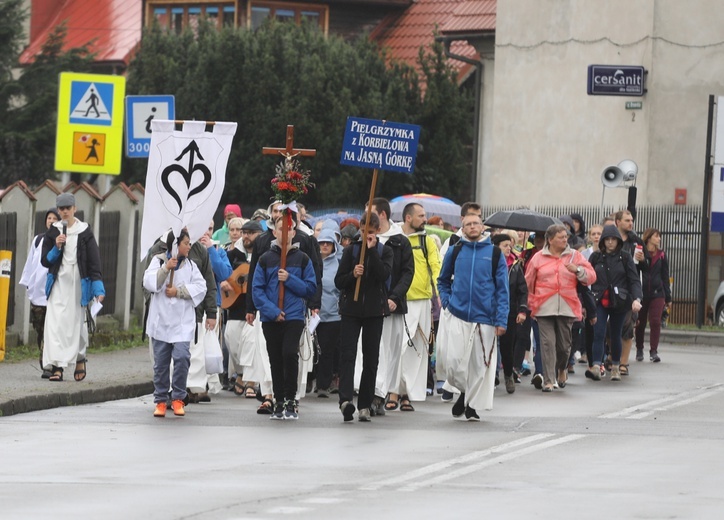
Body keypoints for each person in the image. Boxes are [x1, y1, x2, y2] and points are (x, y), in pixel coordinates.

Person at [437, 213, 509, 421]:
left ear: (482, 226)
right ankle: (462, 391)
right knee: (453, 362)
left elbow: (502, 290)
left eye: (476, 223)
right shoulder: (455, 250)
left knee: (479, 365)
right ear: (463, 227)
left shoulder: (495, 253)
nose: (472, 227)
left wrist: (501, 319)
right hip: (458, 313)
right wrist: (447, 302)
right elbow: (442, 280)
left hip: (485, 317)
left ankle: (470, 405)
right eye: (468, 224)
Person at [252, 217, 317, 420]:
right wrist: (272, 311)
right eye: (281, 229)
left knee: (290, 353)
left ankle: (291, 398)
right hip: (271, 318)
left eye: (289, 229)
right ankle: (278, 400)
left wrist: (290, 279)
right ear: (274, 232)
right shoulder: (265, 259)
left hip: (294, 315)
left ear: (294, 232)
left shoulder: (303, 259)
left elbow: (310, 288)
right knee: (275, 358)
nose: (285, 233)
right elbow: (257, 291)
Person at [335, 212, 393, 422]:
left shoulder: (385, 251)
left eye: (370, 232)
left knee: (371, 358)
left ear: (377, 231)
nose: (366, 235)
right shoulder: (351, 251)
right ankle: (345, 401)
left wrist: (372, 253)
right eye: (363, 231)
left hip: (374, 311)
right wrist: (353, 274)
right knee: (348, 355)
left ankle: (365, 404)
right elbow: (339, 281)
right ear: (359, 229)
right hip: (351, 310)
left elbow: (384, 275)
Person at [41, 193, 105, 382]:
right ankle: (58, 367)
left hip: (79, 284)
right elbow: (45, 261)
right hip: (58, 284)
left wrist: (98, 289)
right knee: (55, 325)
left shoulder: (84, 232)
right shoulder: (53, 232)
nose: (65, 211)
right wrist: (56, 247)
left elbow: (94, 263)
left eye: (68, 208)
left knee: (77, 324)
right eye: (61, 209)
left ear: (75, 209)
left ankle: (80, 359)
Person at [143, 230, 207, 417]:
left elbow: (200, 287)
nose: (189, 246)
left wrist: (179, 292)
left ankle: (178, 398)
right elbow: (149, 283)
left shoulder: (190, 265)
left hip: (181, 323)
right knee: (161, 364)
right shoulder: (158, 261)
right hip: (161, 322)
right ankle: (161, 400)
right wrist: (166, 269)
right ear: (175, 245)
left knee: (181, 358)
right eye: (186, 243)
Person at [525, 224, 595, 392]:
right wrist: (529, 302)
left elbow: (591, 277)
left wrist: (577, 270)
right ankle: (549, 380)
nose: (565, 240)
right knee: (547, 344)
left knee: (564, 346)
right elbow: (528, 282)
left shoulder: (574, 256)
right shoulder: (538, 258)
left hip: (567, 305)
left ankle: (562, 368)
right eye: (561, 237)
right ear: (550, 240)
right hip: (544, 306)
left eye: (566, 237)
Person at [390, 203, 441, 412]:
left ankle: (406, 394)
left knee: (416, 351)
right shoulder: (394, 239)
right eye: (421, 215)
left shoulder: (426, 240)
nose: (425, 219)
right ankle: (393, 391)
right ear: (408, 218)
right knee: (398, 347)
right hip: (400, 301)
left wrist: (440, 296)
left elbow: (436, 268)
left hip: (421, 301)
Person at [368, 198, 414, 415]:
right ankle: (371, 391)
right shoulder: (367, 239)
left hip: (392, 305)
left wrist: (395, 297)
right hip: (368, 306)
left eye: (371, 213)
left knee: (390, 353)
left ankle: (380, 393)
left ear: (383, 215)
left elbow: (407, 272)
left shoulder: (399, 241)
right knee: (370, 350)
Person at [587, 225, 643, 381]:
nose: (610, 242)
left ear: (618, 241)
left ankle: (616, 366)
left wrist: (636, 299)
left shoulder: (625, 258)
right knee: (598, 332)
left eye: (613, 239)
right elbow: (587, 279)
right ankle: (597, 366)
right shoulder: (596, 257)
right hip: (599, 299)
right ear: (603, 241)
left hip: (620, 300)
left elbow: (634, 281)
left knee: (616, 333)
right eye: (607, 239)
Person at [19, 207, 60, 379]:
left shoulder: (61, 241)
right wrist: (28, 284)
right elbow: (30, 263)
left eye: (54, 218)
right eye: (48, 218)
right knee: (40, 329)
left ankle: (49, 364)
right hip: (38, 294)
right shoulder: (38, 240)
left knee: (52, 330)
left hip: (54, 293)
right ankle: (44, 358)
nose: (51, 220)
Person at [221, 218, 260, 396]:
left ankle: (251, 380)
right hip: (235, 306)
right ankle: (241, 372)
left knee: (251, 343)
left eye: (250, 233)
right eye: (244, 233)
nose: (246, 236)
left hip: (254, 307)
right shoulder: (233, 254)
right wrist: (223, 282)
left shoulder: (263, 254)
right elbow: (222, 272)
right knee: (232, 341)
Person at [491, 233, 527, 394]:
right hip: (490, 310)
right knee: (490, 345)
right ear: (496, 247)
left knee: (506, 346)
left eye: (510, 245)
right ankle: (491, 376)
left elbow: (522, 290)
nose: (508, 248)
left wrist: (522, 310)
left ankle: (507, 375)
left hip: (509, 311)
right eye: (505, 245)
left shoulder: (515, 266)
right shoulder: (488, 263)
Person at [614, 210, 647, 375]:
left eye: (632, 220)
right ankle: (612, 357)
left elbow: (644, 268)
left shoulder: (636, 241)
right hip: (613, 287)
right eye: (627, 220)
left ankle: (623, 362)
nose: (630, 223)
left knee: (628, 327)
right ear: (618, 221)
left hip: (630, 288)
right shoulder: (612, 240)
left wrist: (642, 260)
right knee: (609, 327)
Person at [634, 227, 672, 363]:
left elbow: (665, 276)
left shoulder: (662, 254)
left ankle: (654, 351)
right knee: (640, 322)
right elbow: (635, 270)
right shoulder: (640, 253)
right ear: (649, 238)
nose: (659, 239)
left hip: (658, 292)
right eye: (656, 236)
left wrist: (668, 297)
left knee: (655, 321)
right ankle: (639, 349)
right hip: (642, 292)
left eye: (659, 236)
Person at [315, 228, 342, 398]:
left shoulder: (339, 262)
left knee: (326, 350)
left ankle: (323, 385)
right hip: (313, 313)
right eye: (322, 242)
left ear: (334, 245)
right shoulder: (312, 260)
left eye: (328, 243)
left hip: (332, 314)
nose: (325, 245)